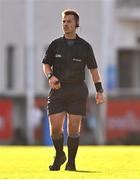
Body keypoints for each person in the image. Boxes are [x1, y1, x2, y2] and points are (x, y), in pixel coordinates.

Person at [42, 9, 105, 171]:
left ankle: (71, 162)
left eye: (69, 21)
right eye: (63, 21)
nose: (65, 24)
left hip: (77, 90)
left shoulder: (85, 47)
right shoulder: (55, 45)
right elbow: (46, 64)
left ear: (76, 24)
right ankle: (59, 154)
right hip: (58, 89)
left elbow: (93, 70)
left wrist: (99, 90)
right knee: (55, 128)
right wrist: (50, 76)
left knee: (73, 128)